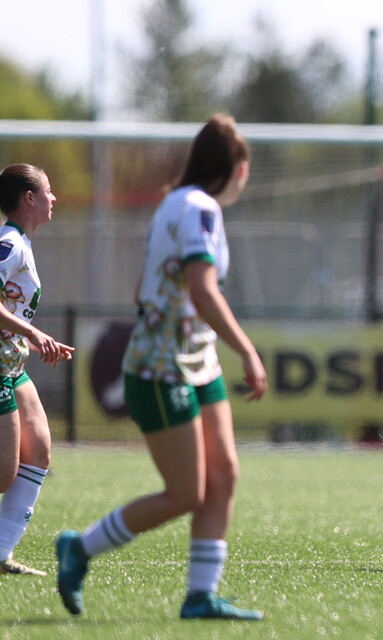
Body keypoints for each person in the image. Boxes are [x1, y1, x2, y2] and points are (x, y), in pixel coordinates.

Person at [55, 114, 268, 620]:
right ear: (236, 168)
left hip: (197, 359)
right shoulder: (200, 208)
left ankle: (200, 596)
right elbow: (201, 287)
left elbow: (147, 287)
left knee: (224, 476)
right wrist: (249, 350)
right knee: (186, 493)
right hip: (161, 366)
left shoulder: (176, 203)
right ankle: (79, 547)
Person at [0, 164, 74, 576]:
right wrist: (33, 331)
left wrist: (33, 339)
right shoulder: (9, 243)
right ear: (29, 198)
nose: (54, 198)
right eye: (48, 191)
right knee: (3, 473)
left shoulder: (20, 243)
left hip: (12, 362)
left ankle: (0, 552)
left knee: (40, 448)